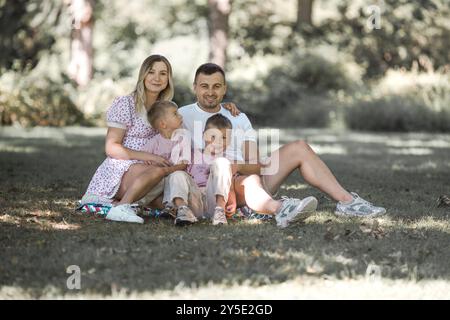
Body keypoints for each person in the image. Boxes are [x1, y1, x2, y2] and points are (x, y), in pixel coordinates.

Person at [179, 63, 386, 218]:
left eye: (216, 86)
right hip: (212, 187)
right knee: (245, 179)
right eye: (204, 86)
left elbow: (257, 164)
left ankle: (347, 202)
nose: (210, 92)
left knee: (299, 148)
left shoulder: (237, 116)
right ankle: (272, 207)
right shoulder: (182, 116)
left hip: (247, 176)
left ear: (224, 89)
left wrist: (236, 166)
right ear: (194, 87)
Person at [80, 55, 240, 224]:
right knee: (165, 177)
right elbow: (112, 147)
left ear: (168, 79)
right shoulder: (126, 103)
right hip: (127, 164)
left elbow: (201, 107)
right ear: (143, 75)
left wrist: (224, 107)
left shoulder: (169, 108)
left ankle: (150, 207)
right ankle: (124, 206)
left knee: (177, 188)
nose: (157, 78)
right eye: (151, 72)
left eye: (163, 73)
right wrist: (152, 158)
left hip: (162, 166)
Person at [143, 100, 233, 226]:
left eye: (224, 138)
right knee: (177, 173)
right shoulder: (192, 154)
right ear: (204, 136)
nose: (218, 141)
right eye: (213, 136)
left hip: (212, 200)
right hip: (194, 202)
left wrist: (232, 200)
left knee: (222, 162)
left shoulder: (226, 160)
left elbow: (228, 184)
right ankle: (183, 211)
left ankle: (220, 211)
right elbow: (178, 179)